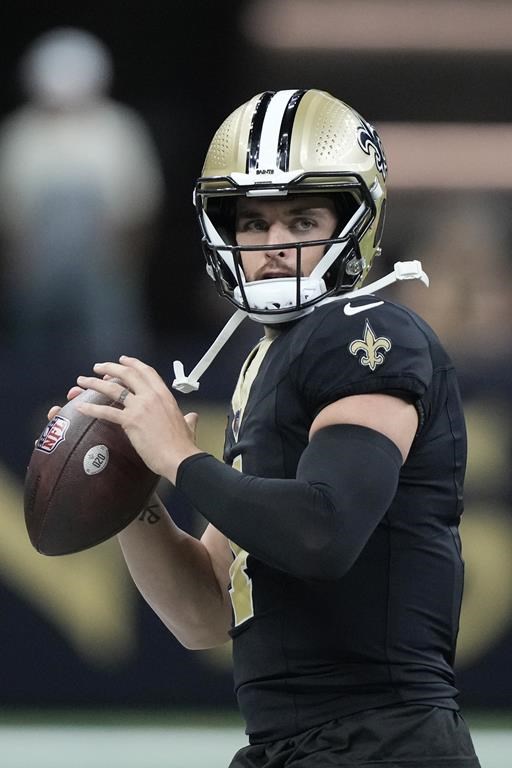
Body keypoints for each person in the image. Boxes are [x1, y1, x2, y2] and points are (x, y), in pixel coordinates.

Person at [51, 89, 481, 766]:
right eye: (252, 224)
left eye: (301, 218)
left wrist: (179, 460)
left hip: (380, 740)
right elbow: (204, 615)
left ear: (355, 221)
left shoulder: (367, 331)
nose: (275, 245)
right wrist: (135, 497)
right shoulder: (271, 359)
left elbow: (324, 531)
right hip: (293, 745)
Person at [0, 27, 164, 369]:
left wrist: (126, 266)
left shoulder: (118, 127)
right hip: (36, 273)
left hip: (105, 269)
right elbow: (10, 217)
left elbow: (141, 207)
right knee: (32, 355)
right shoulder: (20, 132)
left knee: (110, 352)